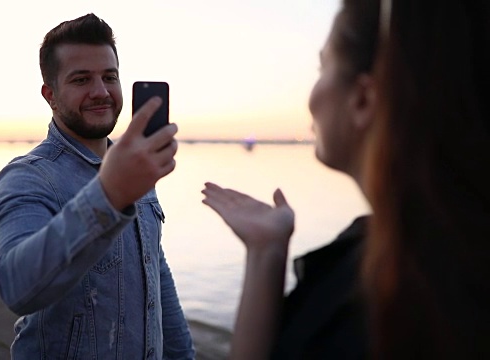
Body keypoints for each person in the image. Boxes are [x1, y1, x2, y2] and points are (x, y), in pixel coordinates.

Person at [203, 0, 490, 358]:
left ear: (363, 100)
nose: (311, 97)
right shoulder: (428, 245)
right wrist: (266, 252)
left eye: (323, 67)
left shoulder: (378, 296)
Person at [0, 13, 195, 359]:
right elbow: (15, 286)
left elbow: (154, 271)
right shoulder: (26, 178)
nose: (100, 92)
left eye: (109, 77)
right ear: (50, 94)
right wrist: (109, 194)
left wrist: (182, 354)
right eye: (81, 79)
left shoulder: (132, 168)